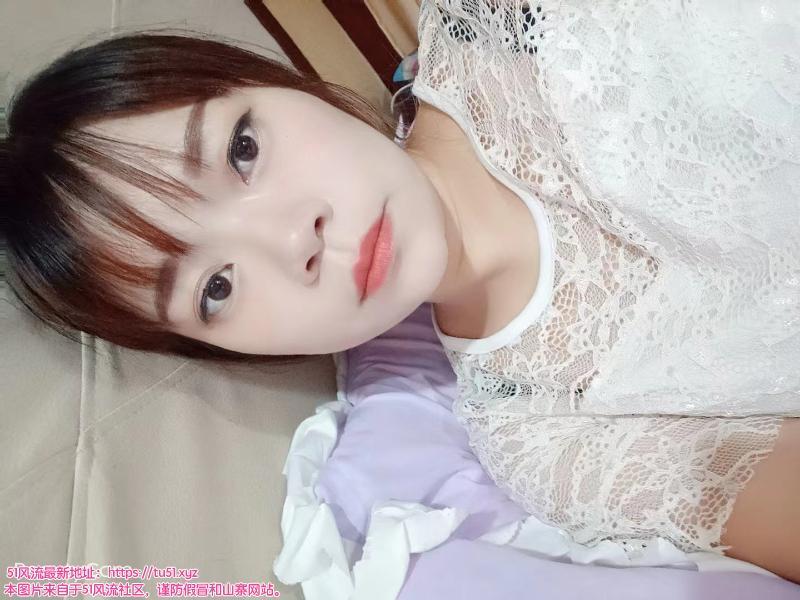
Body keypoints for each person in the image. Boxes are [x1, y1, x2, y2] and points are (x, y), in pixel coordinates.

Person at [1, 0, 798, 583]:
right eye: (215, 288)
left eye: (242, 150)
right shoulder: (547, 440)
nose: (293, 239)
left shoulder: (504, 20)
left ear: (274, 83)